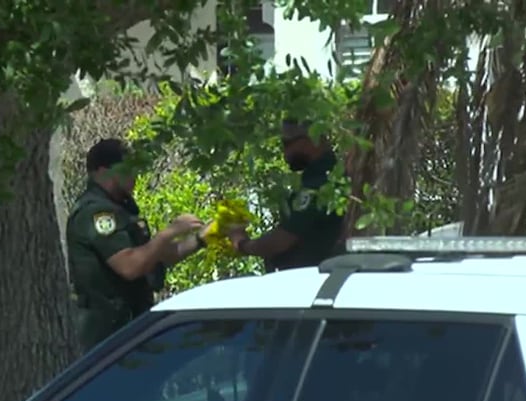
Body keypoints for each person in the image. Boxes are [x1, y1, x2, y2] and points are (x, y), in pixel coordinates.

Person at [66, 138, 208, 353]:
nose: (135, 176)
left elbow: (156, 256)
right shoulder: (96, 213)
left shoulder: (121, 209)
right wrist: (169, 232)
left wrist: (202, 238)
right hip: (108, 337)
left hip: (132, 329)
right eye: (128, 169)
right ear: (104, 171)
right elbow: (130, 266)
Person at [225, 119, 344, 272]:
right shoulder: (324, 178)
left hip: (313, 282)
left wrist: (242, 244)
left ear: (312, 139)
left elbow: (282, 240)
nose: (285, 153)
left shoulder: (321, 185)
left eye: (287, 144)